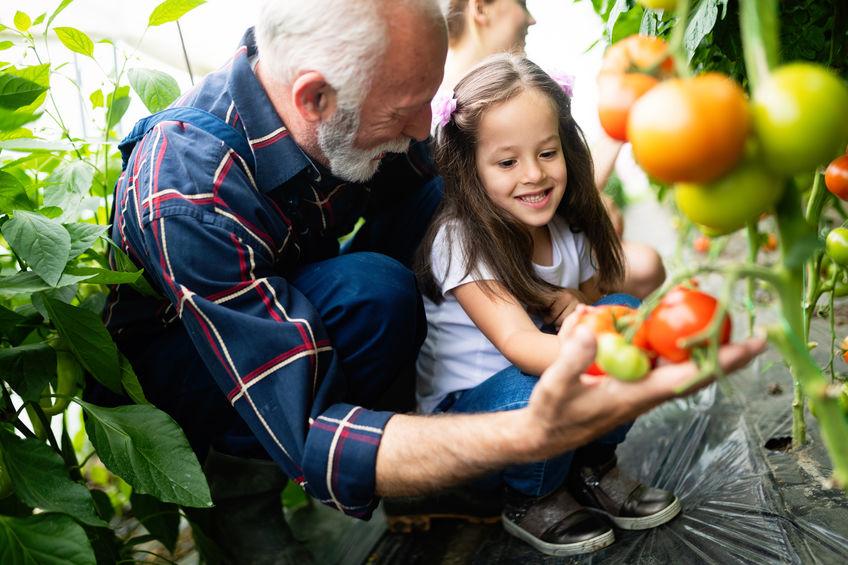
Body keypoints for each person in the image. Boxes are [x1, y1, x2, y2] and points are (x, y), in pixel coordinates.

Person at [95, 0, 764, 562]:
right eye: (407, 110)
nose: (423, 128)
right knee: (374, 290)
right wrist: (531, 429)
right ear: (315, 97)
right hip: (200, 355)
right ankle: (243, 495)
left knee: (451, 186)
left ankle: (435, 451)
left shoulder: (337, 93)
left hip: (301, 280)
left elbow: (471, 165)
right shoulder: (187, 192)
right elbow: (311, 430)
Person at [410, 54, 677, 556]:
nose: (533, 175)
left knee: (623, 309)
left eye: (547, 153)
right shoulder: (461, 240)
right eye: (507, 162)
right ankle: (531, 496)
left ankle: (593, 467)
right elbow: (520, 344)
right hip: (478, 422)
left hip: (550, 397)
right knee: (566, 369)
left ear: (566, 149)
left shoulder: (567, 227)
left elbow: (597, 302)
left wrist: (586, 306)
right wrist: (621, 349)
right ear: (470, 168)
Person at [440, 0, 666, 300]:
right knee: (632, 276)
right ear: (481, 8)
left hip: (546, 253)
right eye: (521, 3)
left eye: (547, 153)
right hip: (504, 270)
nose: (532, 19)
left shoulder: (526, 89)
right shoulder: (452, 120)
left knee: (639, 269)